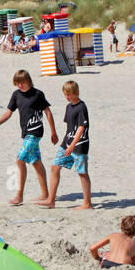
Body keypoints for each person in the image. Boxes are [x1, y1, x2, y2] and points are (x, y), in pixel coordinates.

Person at [0, 69, 57, 206]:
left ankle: (19, 196)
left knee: (20, 159)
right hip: (26, 133)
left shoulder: (38, 94)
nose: (20, 85)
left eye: (22, 83)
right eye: (17, 83)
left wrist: (53, 132)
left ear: (28, 81)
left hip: (35, 132)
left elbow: (48, 112)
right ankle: (45, 193)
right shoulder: (16, 95)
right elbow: (9, 112)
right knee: (35, 161)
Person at [38, 80, 91, 209]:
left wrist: (72, 145)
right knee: (55, 166)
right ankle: (51, 200)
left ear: (75, 93)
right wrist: (63, 143)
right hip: (67, 143)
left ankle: (87, 203)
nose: (67, 97)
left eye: (69, 94)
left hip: (80, 145)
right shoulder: (69, 107)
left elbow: (81, 128)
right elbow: (69, 128)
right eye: (65, 94)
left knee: (82, 172)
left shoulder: (81, 106)